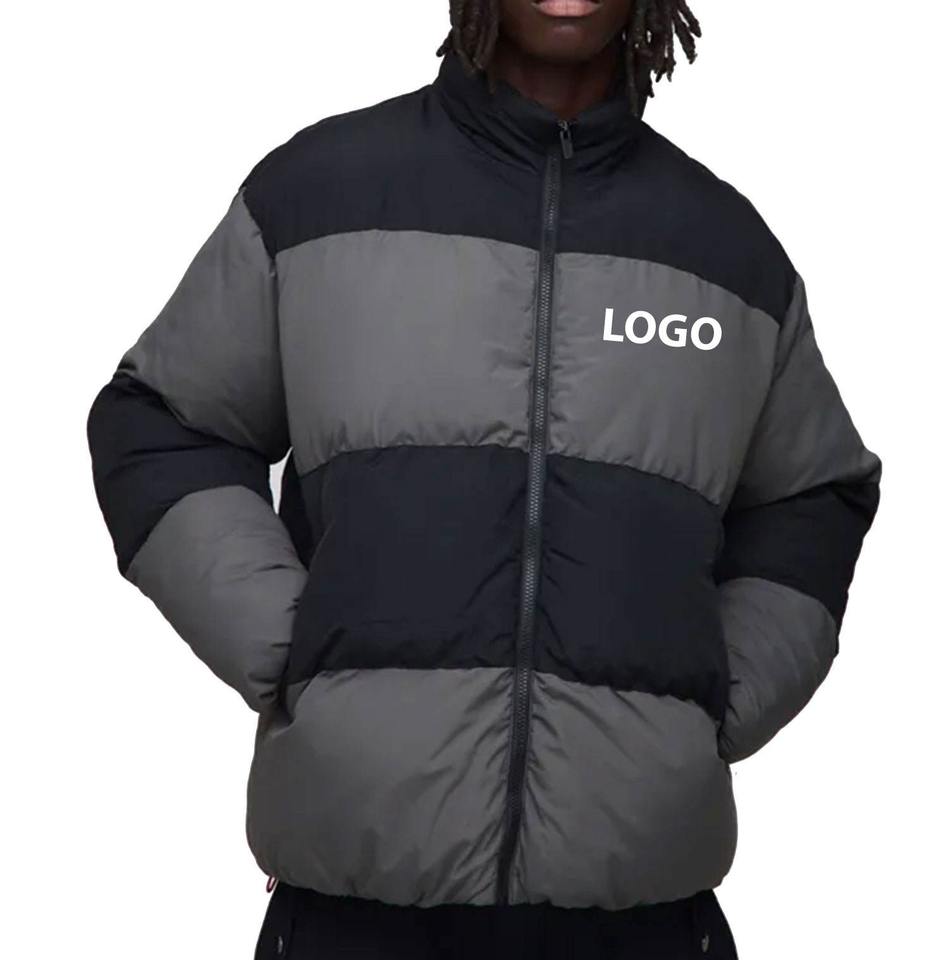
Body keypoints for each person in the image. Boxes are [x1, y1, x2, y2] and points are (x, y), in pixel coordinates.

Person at [86, 1, 881, 956]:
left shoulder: (725, 250)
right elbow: (163, 423)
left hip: (642, 917)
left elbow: (812, 495)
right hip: (353, 911)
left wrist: (712, 698)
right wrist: (296, 649)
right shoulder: (319, 195)